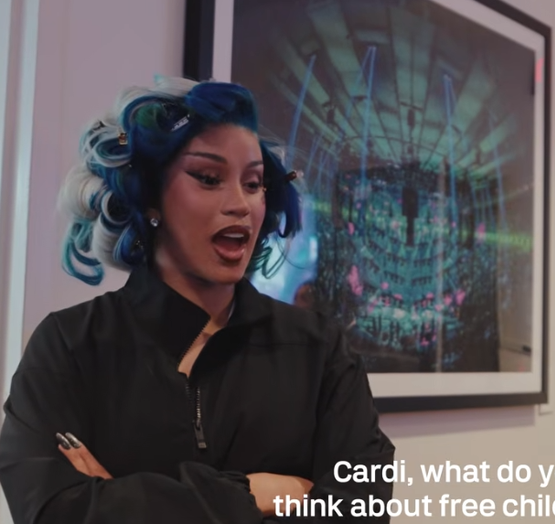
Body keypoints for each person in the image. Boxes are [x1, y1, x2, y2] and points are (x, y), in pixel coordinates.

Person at [0, 76, 395, 523]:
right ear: (149, 197)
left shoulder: (318, 350)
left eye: (253, 183)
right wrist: (254, 494)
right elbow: (50, 512)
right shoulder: (70, 344)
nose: (241, 204)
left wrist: (122, 503)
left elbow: (361, 508)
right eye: (209, 178)